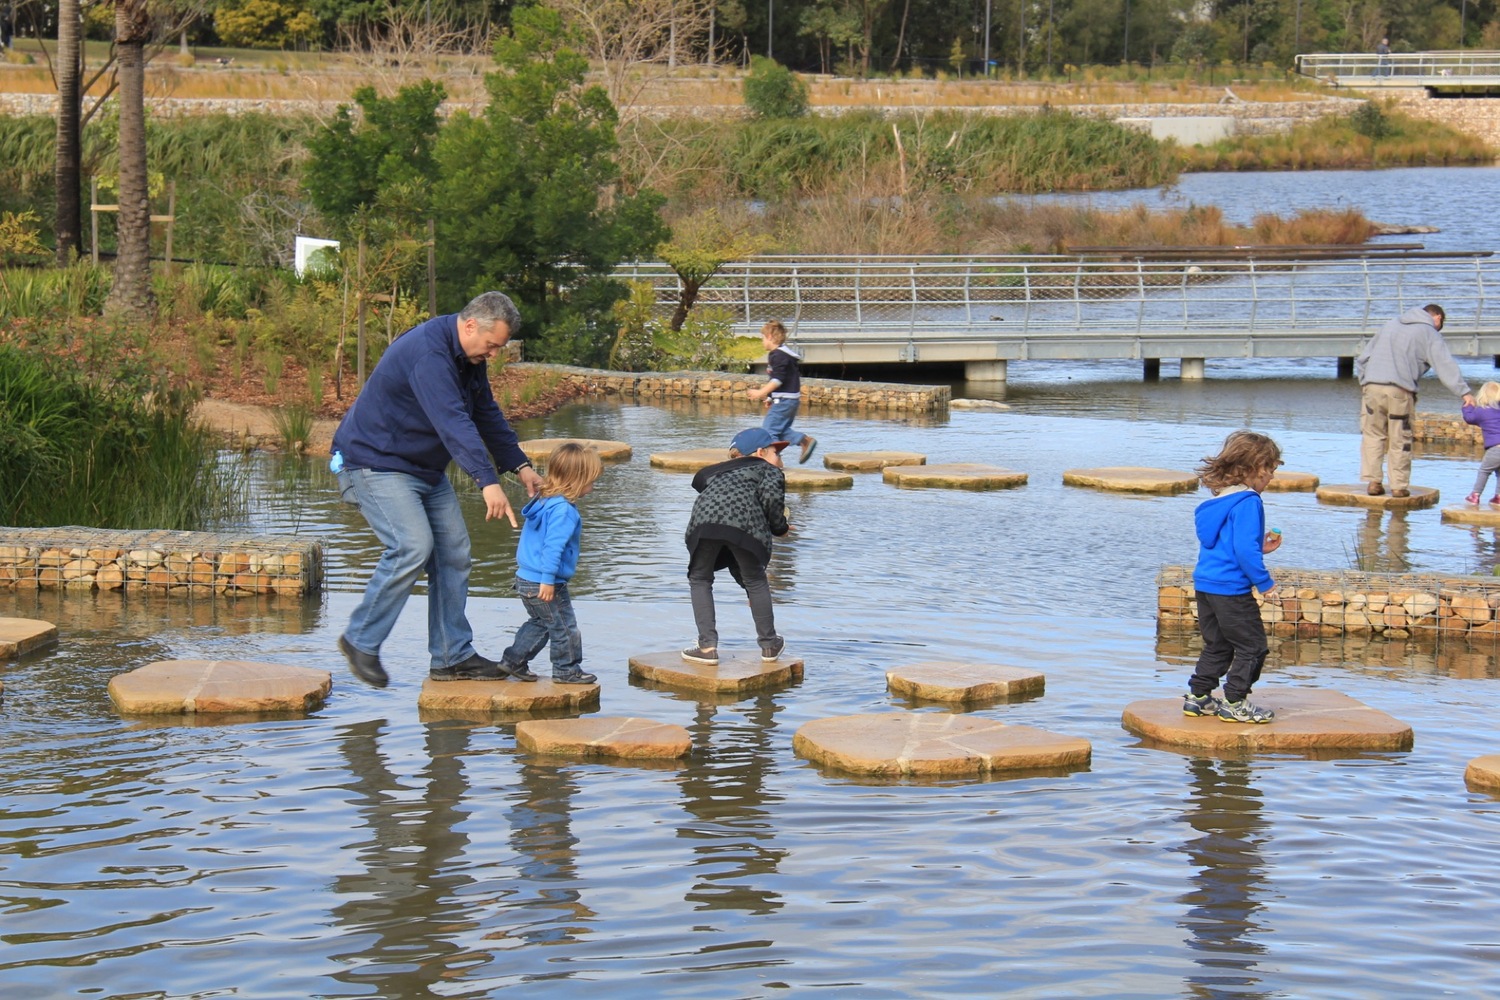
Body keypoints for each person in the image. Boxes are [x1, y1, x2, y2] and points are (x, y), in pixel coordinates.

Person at [331, 291, 544, 688]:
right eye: (492, 345)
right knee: (412, 546)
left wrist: (519, 465)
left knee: (454, 553)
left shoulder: (468, 357)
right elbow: (452, 422)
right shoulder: (430, 354)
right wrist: (487, 482)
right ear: (469, 326)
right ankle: (360, 639)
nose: (494, 354)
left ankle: (451, 656)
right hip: (373, 463)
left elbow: (484, 414)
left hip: (422, 469)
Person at [1183, 430, 1283, 725]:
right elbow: (1242, 551)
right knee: (1253, 647)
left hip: (1206, 585)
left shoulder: (1216, 503)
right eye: (1271, 470)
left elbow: (1226, 547)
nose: (1272, 478)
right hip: (1232, 591)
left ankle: (1198, 697)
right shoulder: (1249, 502)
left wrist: (1260, 547)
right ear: (1253, 468)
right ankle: (1235, 702)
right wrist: (1265, 584)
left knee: (1218, 645)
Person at [682, 427, 790, 666]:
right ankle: (770, 645)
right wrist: (781, 527)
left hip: (703, 526)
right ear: (760, 453)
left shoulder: (718, 474)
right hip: (743, 526)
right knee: (756, 579)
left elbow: (705, 489)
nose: (780, 461)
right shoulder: (767, 470)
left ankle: (707, 647)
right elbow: (772, 502)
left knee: (700, 579)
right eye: (777, 454)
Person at [499, 442, 603, 685]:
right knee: (565, 627)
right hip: (544, 580)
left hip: (526, 578)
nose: (594, 486)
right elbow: (552, 548)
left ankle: (513, 661)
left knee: (541, 623)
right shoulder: (564, 511)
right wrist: (547, 580)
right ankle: (567, 670)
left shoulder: (544, 500)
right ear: (577, 480)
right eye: (591, 480)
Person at [1355, 304, 1474, 499]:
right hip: (1400, 389)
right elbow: (1445, 365)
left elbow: (1363, 359)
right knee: (1400, 437)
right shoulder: (1429, 332)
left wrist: (1365, 382)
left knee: (1372, 435)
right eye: (1440, 324)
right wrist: (1464, 392)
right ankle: (1398, 486)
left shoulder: (1390, 324)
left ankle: (1373, 482)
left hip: (1372, 387)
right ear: (1436, 318)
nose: (1439, 329)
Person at [747, 320, 817, 465]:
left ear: (770, 337)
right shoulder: (783, 355)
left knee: (768, 432)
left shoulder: (777, 355)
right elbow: (784, 379)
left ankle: (774, 462)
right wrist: (771, 397)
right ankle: (804, 440)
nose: (762, 342)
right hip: (789, 400)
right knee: (781, 430)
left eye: (763, 338)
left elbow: (777, 380)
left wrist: (760, 393)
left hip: (784, 401)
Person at [1462, 381, 1500, 506]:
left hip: (1495, 448)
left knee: (1484, 471)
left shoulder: (1481, 411)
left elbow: (1469, 418)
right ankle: (1498, 497)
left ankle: (1475, 495)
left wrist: (1467, 406)